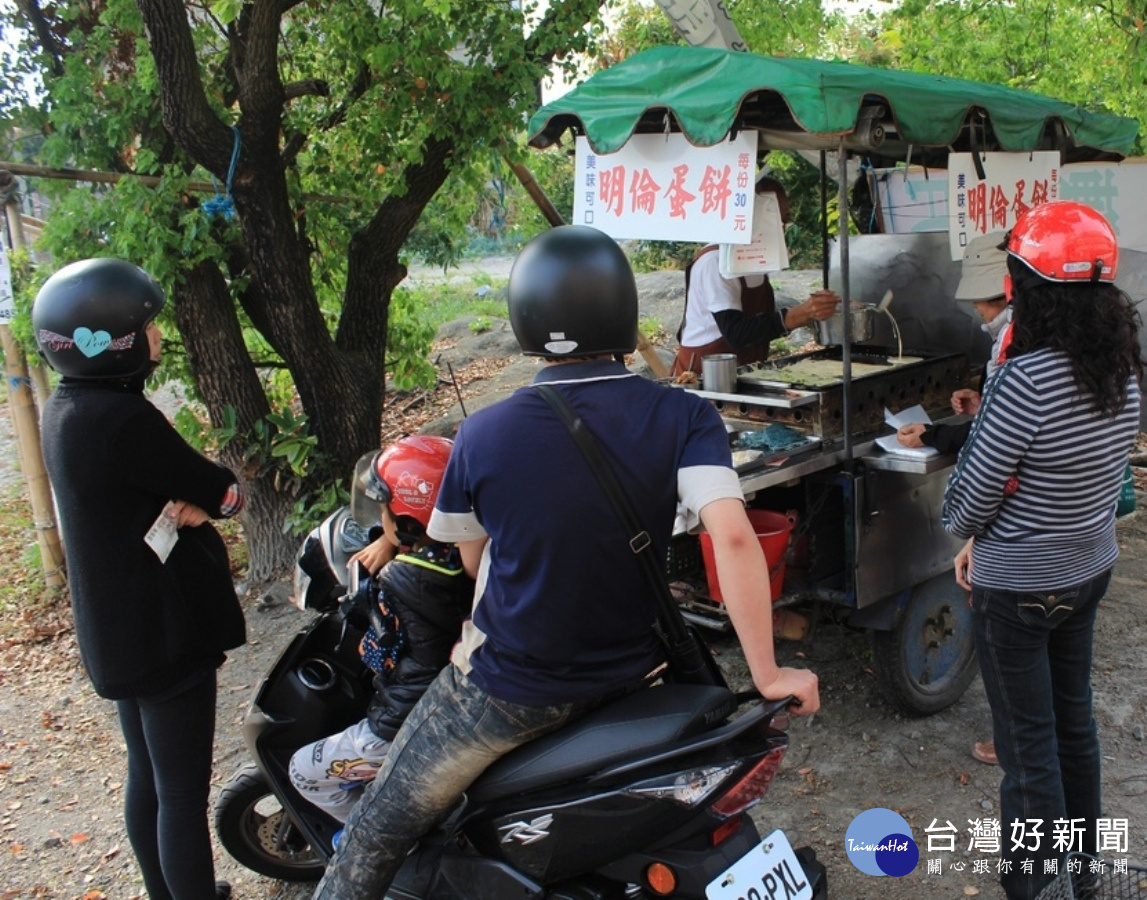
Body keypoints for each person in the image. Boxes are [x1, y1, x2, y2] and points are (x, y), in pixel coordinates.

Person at [313, 224, 821, 896]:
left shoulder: (482, 433)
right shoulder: (681, 415)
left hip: (505, 691)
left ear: (525, 317)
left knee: (379, 827)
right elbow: (730, 537)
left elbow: (469, 564)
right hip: (637, 673)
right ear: (622, 312)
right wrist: (767, 671)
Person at [941, 201, 1142, 900]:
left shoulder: (1027, 379)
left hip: (1019, 588)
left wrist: (968, 531)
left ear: (1028, 285)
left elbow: (968, 500)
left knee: (1028, 749)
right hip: (1086, 570)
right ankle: (1081, 874)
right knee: (1073, 726)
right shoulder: (1122, 372)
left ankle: (1035, 887)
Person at [34, 258, 246, 900]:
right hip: (162, 633)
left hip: (115, 629)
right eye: (148, 325)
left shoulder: (65, 408)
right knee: (182, 793)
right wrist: (212, 500)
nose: (159, 334)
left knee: (148, 778)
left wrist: (195, 500)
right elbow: (223, 489)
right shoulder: (124, 421)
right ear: (112, 342)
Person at [288, 435, 473, 823]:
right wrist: (395, 543)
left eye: (384, 509)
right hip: (457, 701)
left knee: (304, 771)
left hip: (407, 720)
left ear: (406, 522)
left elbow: (369, 636)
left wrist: (378, 569)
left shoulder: (398, 581)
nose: (379, 516)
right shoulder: (466, 551)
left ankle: (385, 853)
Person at [671, 175, 842, 376]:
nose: (781, 228)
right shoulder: (715, 261)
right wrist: (797, 315)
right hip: (703, 377)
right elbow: (736, 333)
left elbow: (759, 324)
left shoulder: (753, 260)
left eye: (784, 220)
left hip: (745, 372)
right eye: (775, 219)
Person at [897, 231, 1011, 457]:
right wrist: (985, 407)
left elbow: (997, 435)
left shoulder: (1019, 342)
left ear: (1000, 294)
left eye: (976, 298)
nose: (974, 306)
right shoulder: (1019, 332)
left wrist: (930, 435)